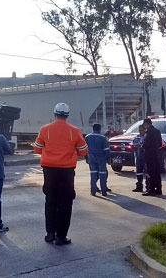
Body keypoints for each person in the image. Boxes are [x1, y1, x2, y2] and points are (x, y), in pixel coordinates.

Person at [33, 103, 88, 246]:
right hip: (67, 172)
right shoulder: (74, 131)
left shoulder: (44, 130)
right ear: (67, 115)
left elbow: (37, 149)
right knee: (65, 203)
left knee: (50, 201)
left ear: (54, 114)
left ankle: (50, 233)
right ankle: (61, 236)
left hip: (49, 171)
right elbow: (83, 151)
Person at [85, 123, 110, 196]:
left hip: (91, 159)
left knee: (93, 175)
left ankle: (93, 191)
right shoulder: (102, 137)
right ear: (99, 129)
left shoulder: (87, 137)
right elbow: (106, 149)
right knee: (102, 175)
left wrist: (86, 158)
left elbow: (84, 149)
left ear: (92, 128)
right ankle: (104, 192)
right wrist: (108, 158)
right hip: (101, 159)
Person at [141, 118, 163, 196]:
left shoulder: (148, 132)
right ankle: (159, 189)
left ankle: (151, 189)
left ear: (146, 124)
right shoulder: (157, 131)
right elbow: (160, 143)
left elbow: (146, 144)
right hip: (156, 154)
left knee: (150, 172)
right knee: (157, 172)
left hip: (149, 154)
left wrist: (142, 145)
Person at [132, 125, 149, 193]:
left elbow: (145, 145)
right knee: (138, 172)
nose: (140, 131)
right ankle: (139, 186)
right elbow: (134, 143)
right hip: (138, 157)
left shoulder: (147, 137)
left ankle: (148, 187)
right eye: (139, 130)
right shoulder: (137, 137)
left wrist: (140, 145)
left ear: (145, 130)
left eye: (141, 130)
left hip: (145, 157)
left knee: (147, 173)